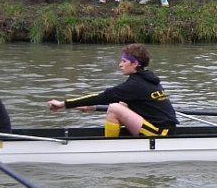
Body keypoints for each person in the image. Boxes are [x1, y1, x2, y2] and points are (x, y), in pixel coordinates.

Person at [46, 43, 177, 138]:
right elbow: (118, 102)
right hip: (164, 129)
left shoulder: (136, 84)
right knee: (121, 104)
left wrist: (63, 104)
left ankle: (110, 147)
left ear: (135, 64)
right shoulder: (147, 79)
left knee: (114, 108)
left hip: (161, 134)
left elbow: (103, 96)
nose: (120, 65)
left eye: (124, 61)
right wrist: (90, 108)